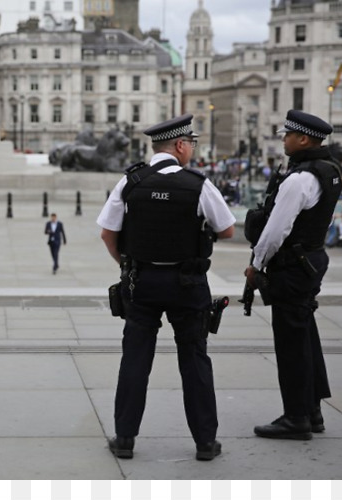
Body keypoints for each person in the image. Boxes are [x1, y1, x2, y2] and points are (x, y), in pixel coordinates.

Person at [97, 113, 235, 462]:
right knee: (194, 360)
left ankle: (125, 438)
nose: (191, 149)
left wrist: (127, 266)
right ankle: (205, 442)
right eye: (190, 144)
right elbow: (228, 230)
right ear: (179, 145)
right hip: (188, 284)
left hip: (142, 282)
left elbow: (107, 233)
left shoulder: (130, 182)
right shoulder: (198, 184)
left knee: (135, 360)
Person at [243, 110, 342, 441]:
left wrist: (256, 266)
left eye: (287, 135)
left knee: (291, 343)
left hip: (291, 267)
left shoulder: (299, 179)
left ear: (303, 139)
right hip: (312, 260)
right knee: (305, 336)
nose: (282, 139)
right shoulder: (330, 172)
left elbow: (276, 230)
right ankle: (311, 410)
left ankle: (296, 417)